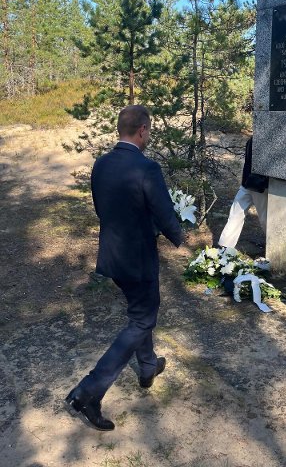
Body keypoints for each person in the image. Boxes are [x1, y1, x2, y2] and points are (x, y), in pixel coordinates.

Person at [65, 105, 183, 430]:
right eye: (149, 131)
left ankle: (147, 367)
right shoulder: (147, 168)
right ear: (142, 130)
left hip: (113, 258)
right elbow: (163, 212)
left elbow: (104, 209)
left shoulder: (101, 164)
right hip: (139, 260)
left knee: (138, 313)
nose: (149, 135)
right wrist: (179, 237)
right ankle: (88, 391)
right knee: (143, 319)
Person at [218, 137, 268, 249]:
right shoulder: (254, 140)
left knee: (263, 218)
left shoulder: (256, 140)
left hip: (256, 184)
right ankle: (225, 245)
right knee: (236, 213)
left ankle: (272, 244)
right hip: (251, 183)